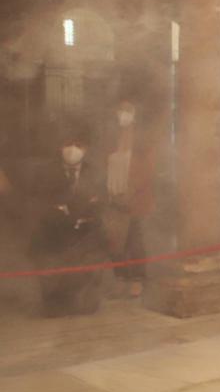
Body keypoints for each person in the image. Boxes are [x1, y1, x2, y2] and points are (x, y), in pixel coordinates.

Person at [29, 129, 106, 316]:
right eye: (67, 144)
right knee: (52, 272)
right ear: (60, 147)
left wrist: (83, 216)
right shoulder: (46, 172)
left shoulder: (94, 172)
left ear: (85, 149)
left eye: (78, 145)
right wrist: (61, 214)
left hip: (85, 234)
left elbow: (100, 203)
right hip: (53, 232)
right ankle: (54, 304)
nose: (72, 150)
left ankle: (82, 301)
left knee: (87, 277)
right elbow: (41, 203)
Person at [103, 99, 156, 298]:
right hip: (113, 196)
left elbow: (148, 169)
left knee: (134, 239)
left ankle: (138, 279)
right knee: (115, 241)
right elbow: (104, 165)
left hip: (135, 198)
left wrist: (131, 191)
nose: (123, 114)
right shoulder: (111, 136)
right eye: (120, 110)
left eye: (128, 110)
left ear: (135, 114)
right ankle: (120, 278)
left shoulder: (143, 138)